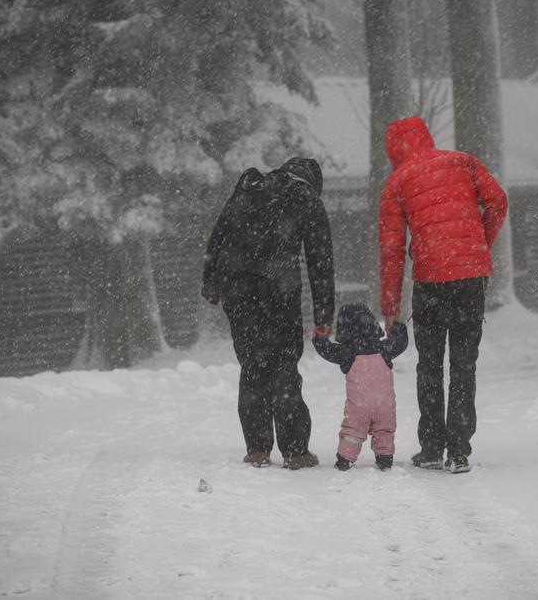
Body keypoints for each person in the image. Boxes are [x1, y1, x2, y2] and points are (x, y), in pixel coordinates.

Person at [378, 116, 508, 474]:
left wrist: (390, 307)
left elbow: (391, 249)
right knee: (464, 364)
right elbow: (498, 201)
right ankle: (460, 451)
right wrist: (479, 244)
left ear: (393, 149)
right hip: (470, 279)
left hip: (431, 281)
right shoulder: (462, 161)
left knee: (430, 365)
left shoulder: (396, 183)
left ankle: (432, 446)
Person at [202, 157, 335, 470]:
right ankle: (295, 451)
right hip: (278, 288)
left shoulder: (249, 188)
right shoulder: (306, 198)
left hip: (236, 286)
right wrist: (324, 315)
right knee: (283, 364)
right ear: (312, 182)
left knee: (252, 362)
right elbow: (320, 262)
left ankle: (258, 448)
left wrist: (210, 282)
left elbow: (217, 236)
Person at [312, 303, 407, 471]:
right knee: (384, 430)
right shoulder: (384, 348)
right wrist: (397, 326)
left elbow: (327, 351)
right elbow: (401, 342)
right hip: (385, 405)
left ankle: (345, 459)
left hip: (358, 407)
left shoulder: (347, 352)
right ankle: (384, 458)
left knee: (353, 432)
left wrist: (320, 339)